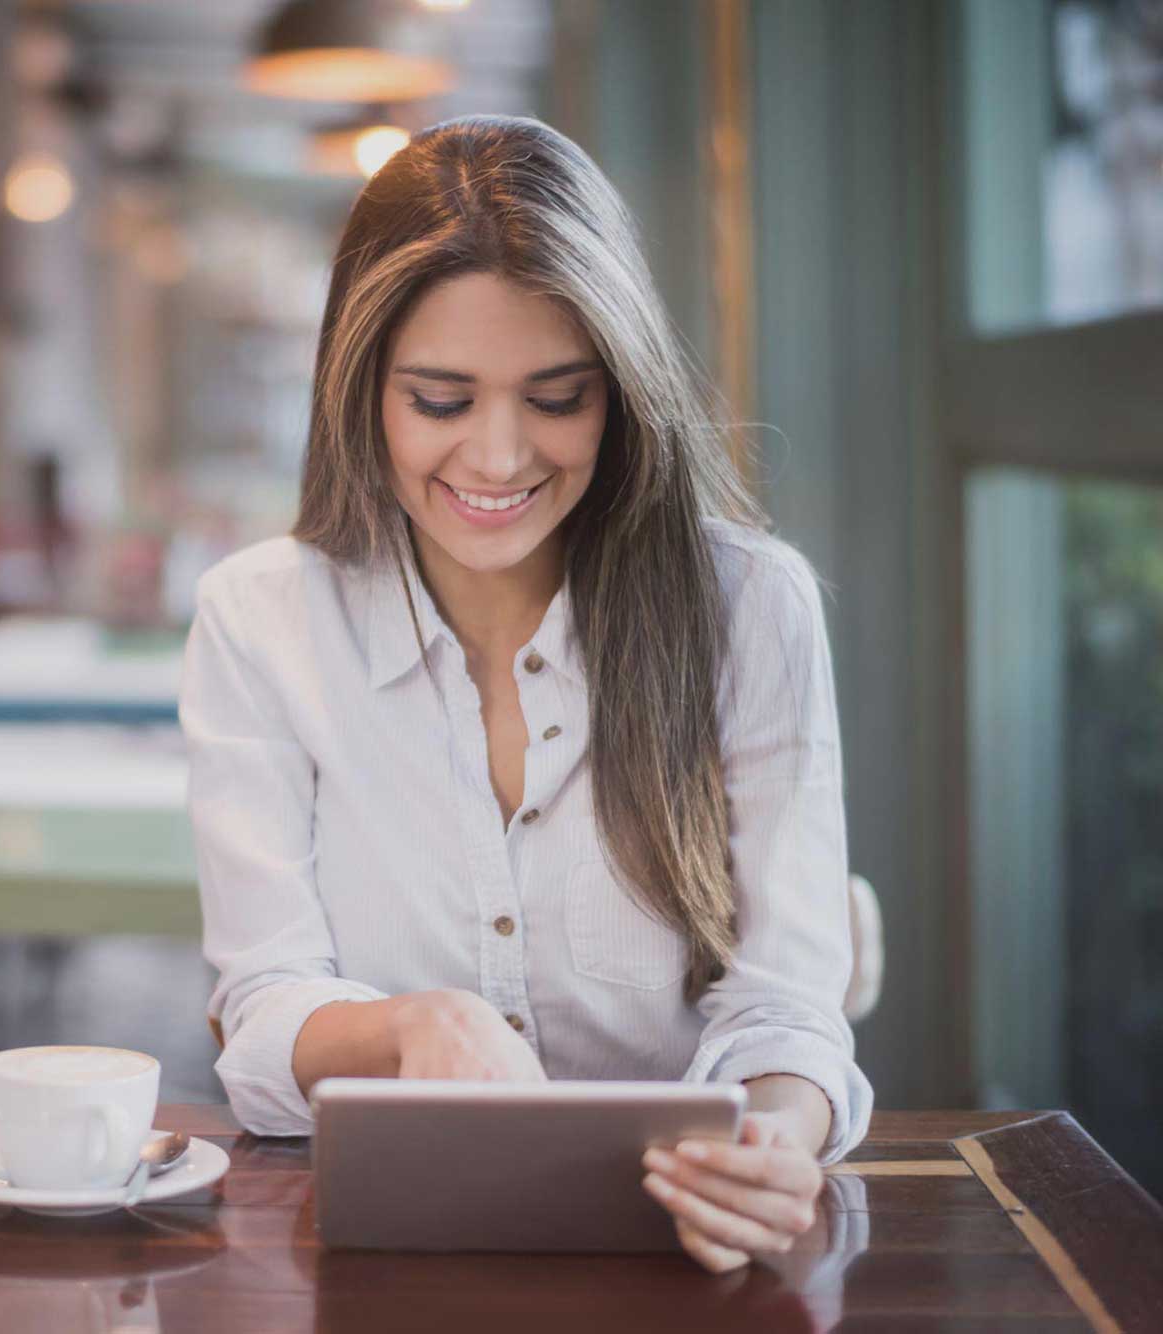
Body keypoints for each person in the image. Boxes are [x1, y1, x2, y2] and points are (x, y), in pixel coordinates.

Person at [181, 114, 872, 1274]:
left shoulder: (751, 607)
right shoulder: (259, 620)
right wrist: (410, 1024)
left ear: (620, 390)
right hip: (383, 1261)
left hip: (677, 1260)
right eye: (440, 401)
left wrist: (771, 1141)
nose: (498, 459)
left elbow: (785, 1009)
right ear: (360, 392)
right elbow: (261, 1005)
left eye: (556, 397)